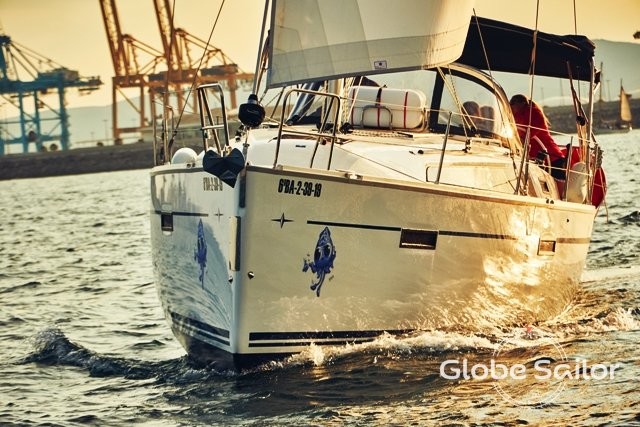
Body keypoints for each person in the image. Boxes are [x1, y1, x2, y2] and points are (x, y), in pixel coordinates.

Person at [509, 94, 566, 180]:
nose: (511, 106)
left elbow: (528, 134)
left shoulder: (533, 113)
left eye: (512, 103)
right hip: (536, 159)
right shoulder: (516, 116)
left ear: (522, 103)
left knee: (558, 184)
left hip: (551, 158)